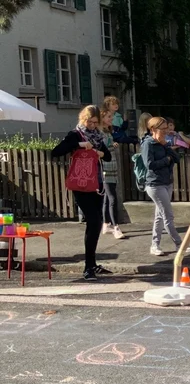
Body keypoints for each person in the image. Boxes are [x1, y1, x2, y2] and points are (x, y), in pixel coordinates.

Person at [51, 105, 112, 281]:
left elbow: (106, 156)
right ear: (83, 119)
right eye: (89, 122)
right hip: (81, 183)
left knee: (97, 223)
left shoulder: (98, 136)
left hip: (97, 183)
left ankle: (92, 264)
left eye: (95, 122)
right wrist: (79, 145)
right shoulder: (75, 134)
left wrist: (99, 152)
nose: (92, 125)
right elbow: (56, 152)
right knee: (92, 221)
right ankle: (88, 267)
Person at [141, 117, 190, 257]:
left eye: (166, 129)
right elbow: (149, 165)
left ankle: (154, 244)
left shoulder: (164, 143)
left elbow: (177, 158)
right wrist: (166, 159)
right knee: (168, 215)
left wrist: (166, 147)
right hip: (155, 184)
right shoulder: (148, 144)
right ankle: (180, 244)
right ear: (153, 130)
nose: (166, 132)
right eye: (163, 129)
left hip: (167, 182)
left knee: (159, 216)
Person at [99, 109, 125, 239]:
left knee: (106, 198)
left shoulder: (107, 132)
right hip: (106, 168)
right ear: (102, 118)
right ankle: (116, 227)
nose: (111, 119)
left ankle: (105, 224)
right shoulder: (100, 132)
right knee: (112, 198)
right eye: (109, 117)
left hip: (112, 166)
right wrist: (111, 146)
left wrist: (112, 145)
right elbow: (101, 148)